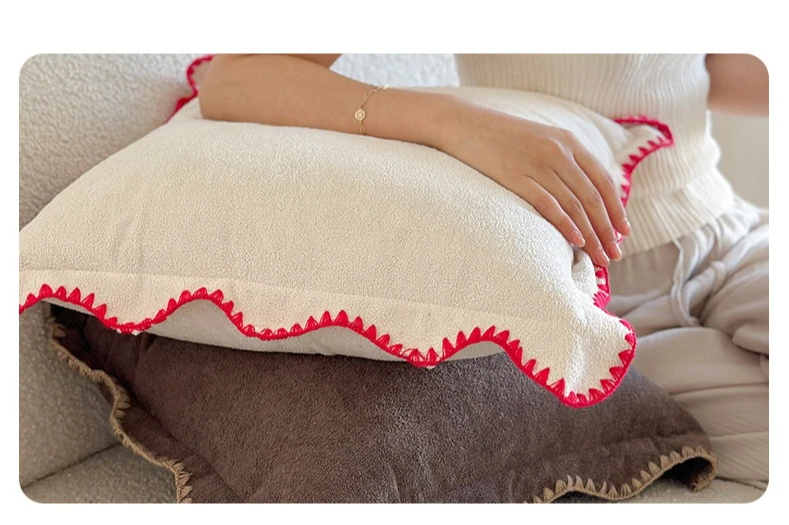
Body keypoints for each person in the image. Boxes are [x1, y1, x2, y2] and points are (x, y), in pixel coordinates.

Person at [197, 54, 769, 487]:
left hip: (729, 233)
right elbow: (235, 78)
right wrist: (453, 123)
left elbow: (703, 64)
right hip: (568, 292)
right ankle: (630, 387)